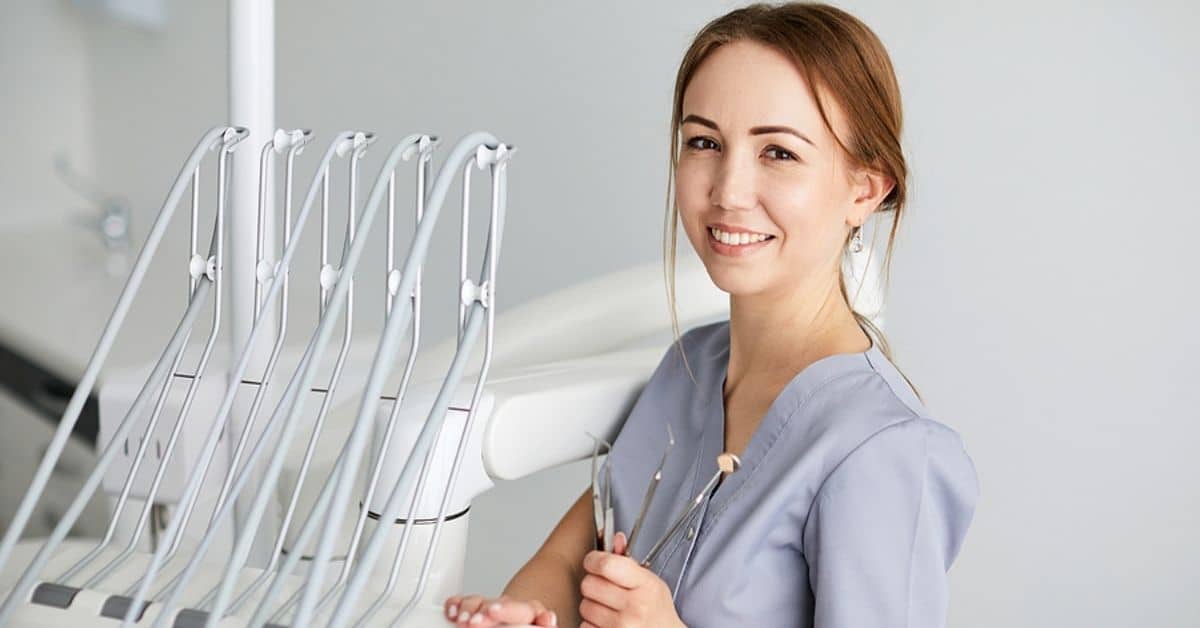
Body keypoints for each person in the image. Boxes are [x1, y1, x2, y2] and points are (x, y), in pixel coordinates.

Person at [445, 2, 978, 626]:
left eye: (778, 152)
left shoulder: (886, 453)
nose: (727, 190)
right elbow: (570, 563)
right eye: (704, 142)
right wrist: (525, 615)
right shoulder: (690, 368)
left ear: (865, 189)